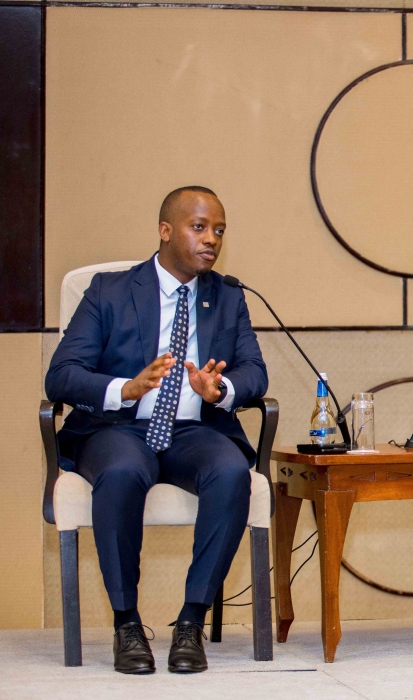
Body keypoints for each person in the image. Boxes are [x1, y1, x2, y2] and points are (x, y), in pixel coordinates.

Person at [45, 186, 268, 673]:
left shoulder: (228, 297)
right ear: (166, 231)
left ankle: (190, 622)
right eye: (200, 227)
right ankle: (127, 624)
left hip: (194, 429)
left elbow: (255, 372)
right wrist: (125, 388)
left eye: (220, 231)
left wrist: (222, 389)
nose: (212, 240)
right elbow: (61, 374)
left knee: (232, 472)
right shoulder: (109, 290)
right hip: (117, 428)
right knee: (123, 471)